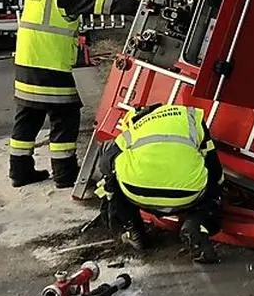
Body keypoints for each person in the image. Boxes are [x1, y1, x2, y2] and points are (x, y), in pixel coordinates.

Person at [10, 0, 140, 189]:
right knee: (65, 117)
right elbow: (103, 1)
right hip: (51, 65)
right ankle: (65, 173)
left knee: (28, 118)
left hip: (26, 64)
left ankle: (19, 172)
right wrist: (142, 5)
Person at [95, 103, 223, 263]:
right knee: (214, 187)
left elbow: (105, 163)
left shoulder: (134, 126)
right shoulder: (191, 118)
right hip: (187, 194)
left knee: (112, 180)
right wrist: (215, 195)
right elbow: (215, 169)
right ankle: (197, 224)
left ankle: (134, 231)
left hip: (138, 192)